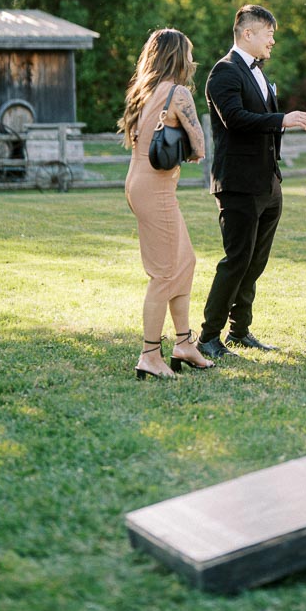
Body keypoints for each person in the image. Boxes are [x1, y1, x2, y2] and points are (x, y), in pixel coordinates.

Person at [198, 4, 306, 360]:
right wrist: (283, 119)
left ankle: (240, 330)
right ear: (247, 33)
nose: (273, 41)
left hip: (267, 182)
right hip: (238, 182)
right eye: (269, 34)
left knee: (256, 261)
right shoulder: (224, 71)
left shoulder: (258, 72)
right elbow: (234, 119)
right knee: (236, 259)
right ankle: (208, 336)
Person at [120, 27, 213, 380]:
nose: (191, 60)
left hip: (138, 183)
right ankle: (149, 355)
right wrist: (190, 148)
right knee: (163, 273)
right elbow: (200, 148)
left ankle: (185, 343)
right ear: (177, 57)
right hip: (156, 190)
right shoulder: (179, 93)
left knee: (184, 260)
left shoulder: (143, 92)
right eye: (187, 53)